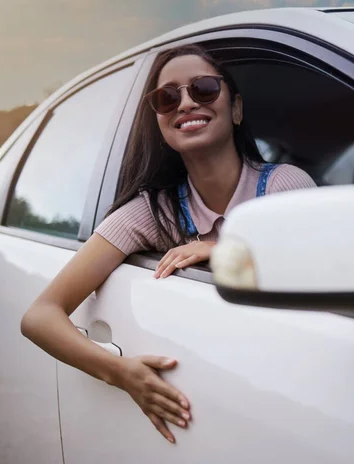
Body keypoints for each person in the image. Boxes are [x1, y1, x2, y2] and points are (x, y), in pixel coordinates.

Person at [20, 44, 316, 444]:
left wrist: (226, 250)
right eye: (167, 97)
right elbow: (40, 316)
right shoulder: (152, 211)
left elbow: (321, 267)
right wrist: (120, 373)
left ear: (237, 109)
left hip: (290, 393)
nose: (187, 102)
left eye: (205, 88)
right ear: (158, 121)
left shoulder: (284, 185)